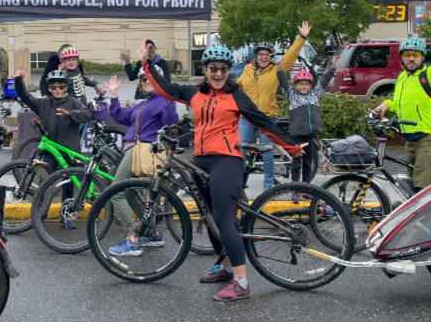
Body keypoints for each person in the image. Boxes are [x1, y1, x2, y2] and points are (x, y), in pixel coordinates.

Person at [142, 39, 302, 302]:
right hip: (200, 161)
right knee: (209, 218)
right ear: (206, 69)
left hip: (227, 161)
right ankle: (227, 268)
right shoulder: (194, 92)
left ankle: (242, 282)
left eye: (223, 69)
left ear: (229, 71)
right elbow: (165, 89)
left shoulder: (236, 96)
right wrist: (147, 64)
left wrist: (292, 147)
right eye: (213, 68)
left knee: (224, 220)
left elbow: (263, 122)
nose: (218, 74)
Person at [375, 2, 431, 190]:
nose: (411, 58)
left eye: (415, 55)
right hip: (410, 142)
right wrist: (386, 105)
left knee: (425, 193)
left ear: (422, 57)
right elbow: (401, 103)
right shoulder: (402, 78)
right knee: (412, 191)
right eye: (407, 55)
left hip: (429, 140)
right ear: (401, 58)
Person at [102, 71, 179, 256]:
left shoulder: (163, 100)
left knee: (116, 192)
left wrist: (168, 98)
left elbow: (171, 123)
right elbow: (120, 117)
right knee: (128, 192)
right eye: (143, 79)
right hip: (133, 150)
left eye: (151, 79)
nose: (146, 82)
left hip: (142, 150)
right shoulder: (144, 103)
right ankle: (151, 234)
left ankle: (131, 239)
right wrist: (113, 95)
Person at [14, 67, 92, 228]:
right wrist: (18, 80)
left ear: (66, 87)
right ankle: (41, 213)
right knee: (45, 182)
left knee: (68, 183)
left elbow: (86, 115)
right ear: (49, 88)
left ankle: (66, 215)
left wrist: (68, 114)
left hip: (70, 149)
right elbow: (25, 97)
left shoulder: (73, 102)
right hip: (50, 150)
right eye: (53, 87)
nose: (57, 90)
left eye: (61, 87)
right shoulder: (43, 103)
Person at [236, 22, 309, 188]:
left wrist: (302, 37)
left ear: (270, 57)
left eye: (267, 54)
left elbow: (290, 55)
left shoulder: (277, 70)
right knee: (240, 152)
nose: (263, 57)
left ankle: (268, 187)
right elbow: (236, 86)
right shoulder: (247, 70)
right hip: (246, 118)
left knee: (267, 153)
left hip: (267, 118)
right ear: (256, 56)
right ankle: (238, 184)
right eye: (260, 54)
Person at [277, 57, 336, 183]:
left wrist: (332, 68)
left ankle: (306, 189)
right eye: (301, 84)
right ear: (296, 86)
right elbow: (283, 84)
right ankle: (296, 189)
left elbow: (323, 81)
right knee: (296, 164)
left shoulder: (314, 95)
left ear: (310, 85)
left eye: (306, 84)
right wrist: (279, 70)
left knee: (308, 164)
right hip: (296, 136)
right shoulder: (292, 96)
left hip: (309, 136)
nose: (304, 86)